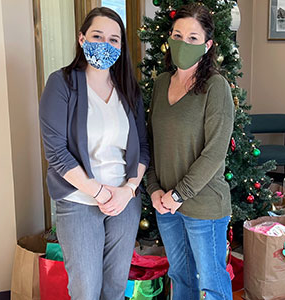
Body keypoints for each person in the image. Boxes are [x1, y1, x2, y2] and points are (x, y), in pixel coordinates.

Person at [39, 7, 149, 300]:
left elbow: (143, 149)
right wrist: (99, 193)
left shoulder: (129, 90)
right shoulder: (61, 84)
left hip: (124, 202)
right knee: (85, 289)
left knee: (114, 287)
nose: (105, 44)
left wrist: (127, 190)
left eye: (114, 39)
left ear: (121, 46)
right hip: (79, 200)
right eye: (97, 36)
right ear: (81, 38)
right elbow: (57, 152)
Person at [146, 4, 234, 300]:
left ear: (207, 45)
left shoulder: (215, 87)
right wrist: (156, 189)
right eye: (177, 35)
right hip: (165, 205)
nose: (183, 43)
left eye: (193, 38)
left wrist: (178, 194)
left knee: (211, 282)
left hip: (204, 206)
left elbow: (214, 153)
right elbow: (151, 144)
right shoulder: (160, 85)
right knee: (179, 277)